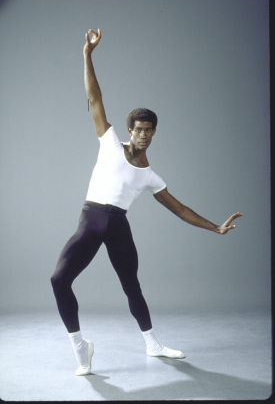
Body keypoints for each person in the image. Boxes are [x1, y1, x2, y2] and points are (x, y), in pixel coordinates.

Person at [51, 28, 242, 376]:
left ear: (154, 132)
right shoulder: (109, 142)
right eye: (138, 129)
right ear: (130, 130)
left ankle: (153, 344)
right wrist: (87, 55)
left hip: (118, 226)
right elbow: (95, 99)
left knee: (131, 286)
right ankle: (81, 348)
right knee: (59, 280)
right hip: (91, 221)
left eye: (148, 129)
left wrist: (215, 227)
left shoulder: (151, 176)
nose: (142, 134)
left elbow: (180, 209)